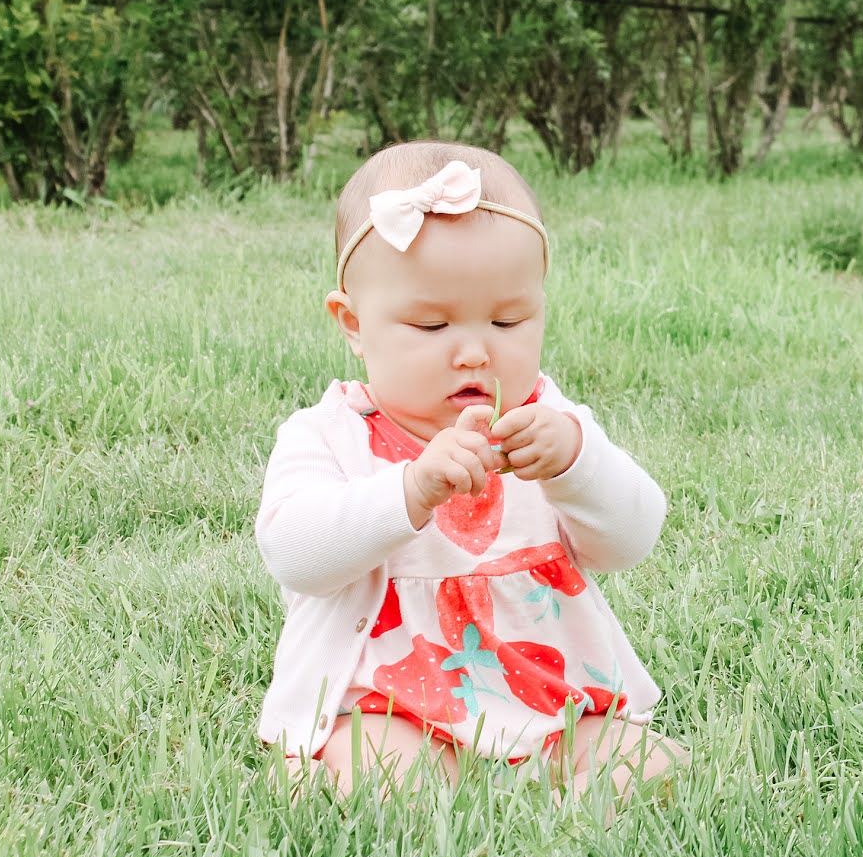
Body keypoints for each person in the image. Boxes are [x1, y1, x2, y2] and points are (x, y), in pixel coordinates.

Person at [254, 141, 682, 800]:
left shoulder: (548, 423)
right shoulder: (330, 435)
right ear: (354, 324)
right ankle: (363, 775)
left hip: (549, 700)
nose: (476, 352)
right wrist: (409, 490)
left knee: (656, 766)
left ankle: (561, 806)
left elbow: (633, 539)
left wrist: (575, 462)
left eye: (508, 319)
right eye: (432, 325)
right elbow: (294, 554)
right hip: (393, 705)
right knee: (392, 783)